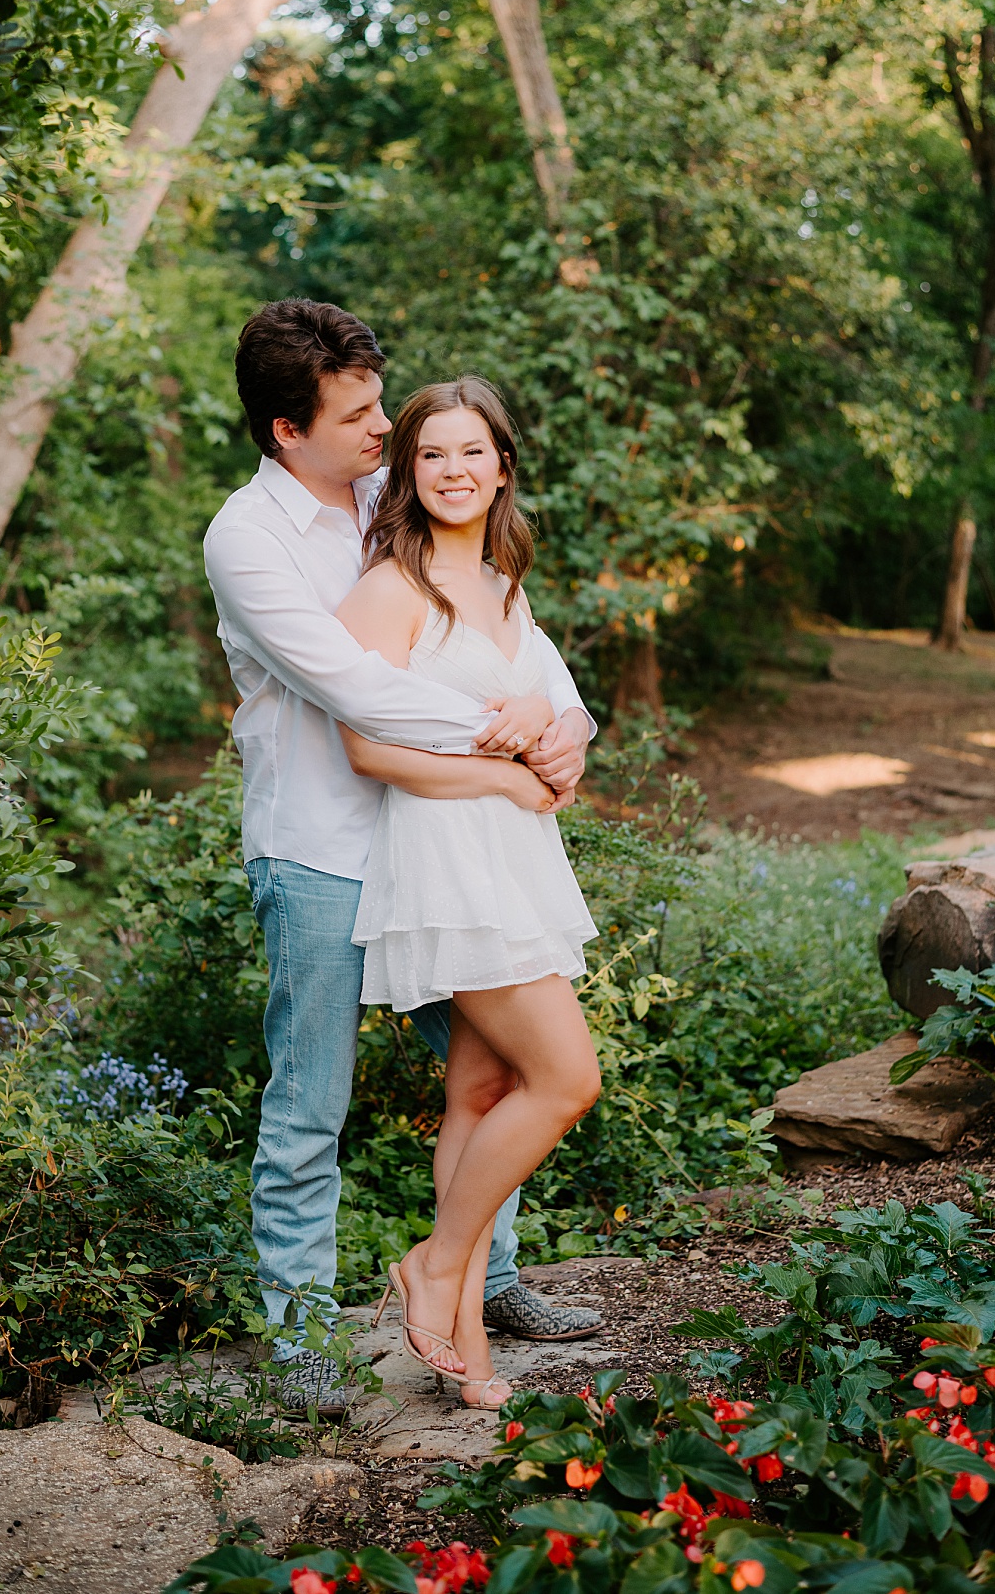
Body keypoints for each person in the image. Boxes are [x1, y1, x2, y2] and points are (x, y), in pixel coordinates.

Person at [203, 300, 605, 1419]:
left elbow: (500, 621)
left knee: (491, 1074)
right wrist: (510, 739)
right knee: (311, 1099)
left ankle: (487, 1280)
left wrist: (562, 723)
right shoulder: (249, 538)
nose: (384, 425)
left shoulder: (391, 491)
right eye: (359, 412)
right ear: (288, 429)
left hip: (437, 849)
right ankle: (298, 1336)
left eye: (384, 402)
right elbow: (362, 692)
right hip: (324, 852)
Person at [340, 377, 603, 1407]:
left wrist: (549, 719)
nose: (454, 470)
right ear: (408, 471)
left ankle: (463, 1353)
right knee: (567, 1076)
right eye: (432, 454)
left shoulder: (504, 582)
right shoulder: (387, 589)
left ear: (502, 465)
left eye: (472, 451)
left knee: (482, 1092)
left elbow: (550, 703)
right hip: (450, 859)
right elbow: (366, 746)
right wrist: (504, 773)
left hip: (519, 855)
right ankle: (441, 1261)